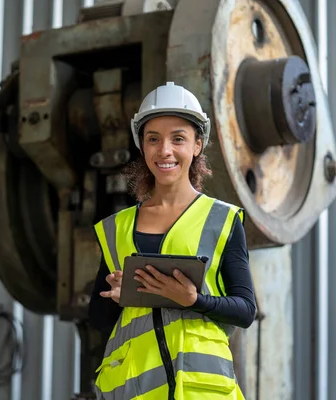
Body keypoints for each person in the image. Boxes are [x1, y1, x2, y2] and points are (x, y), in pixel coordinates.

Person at [88, 82, 257, 400]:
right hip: (132, 392)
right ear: (142, 146)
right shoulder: (116, 228)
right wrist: (119, 296)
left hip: (200, 392)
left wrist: (195, 300)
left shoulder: (221, 221)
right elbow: (97, 319)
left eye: (178, 138)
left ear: (196, 145)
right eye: (153, 139)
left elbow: (245, 310)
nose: (164, 150)